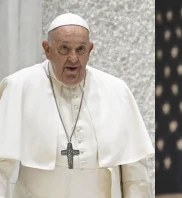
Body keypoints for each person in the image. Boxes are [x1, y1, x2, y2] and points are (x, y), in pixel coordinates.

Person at [0, 13, 154, 198]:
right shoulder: (19, 87)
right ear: (47, 49)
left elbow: (135, 175)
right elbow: (2, 167)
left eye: (80, 49)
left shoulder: (116, 91)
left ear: (90, 50)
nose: (73, 58)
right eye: (64, 49)